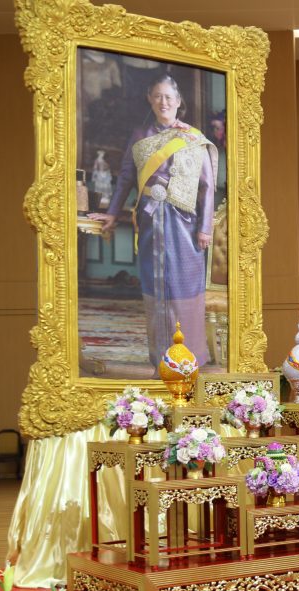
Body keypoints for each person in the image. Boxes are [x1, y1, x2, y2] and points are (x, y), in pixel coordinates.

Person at [89, 74, 216, 370]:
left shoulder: (192, 137)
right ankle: (161, 355)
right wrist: (112, 213)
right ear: (150, 98)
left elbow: (207, 187)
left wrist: (205, 228)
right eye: (158, 96)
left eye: (169, 97)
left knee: (183, 287)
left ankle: (190, 356)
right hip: (150, 221)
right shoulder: (140, 135)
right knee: (155, 287)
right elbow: (125, 177)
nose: (163, 102)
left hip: (184, 223)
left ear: (178, 101)